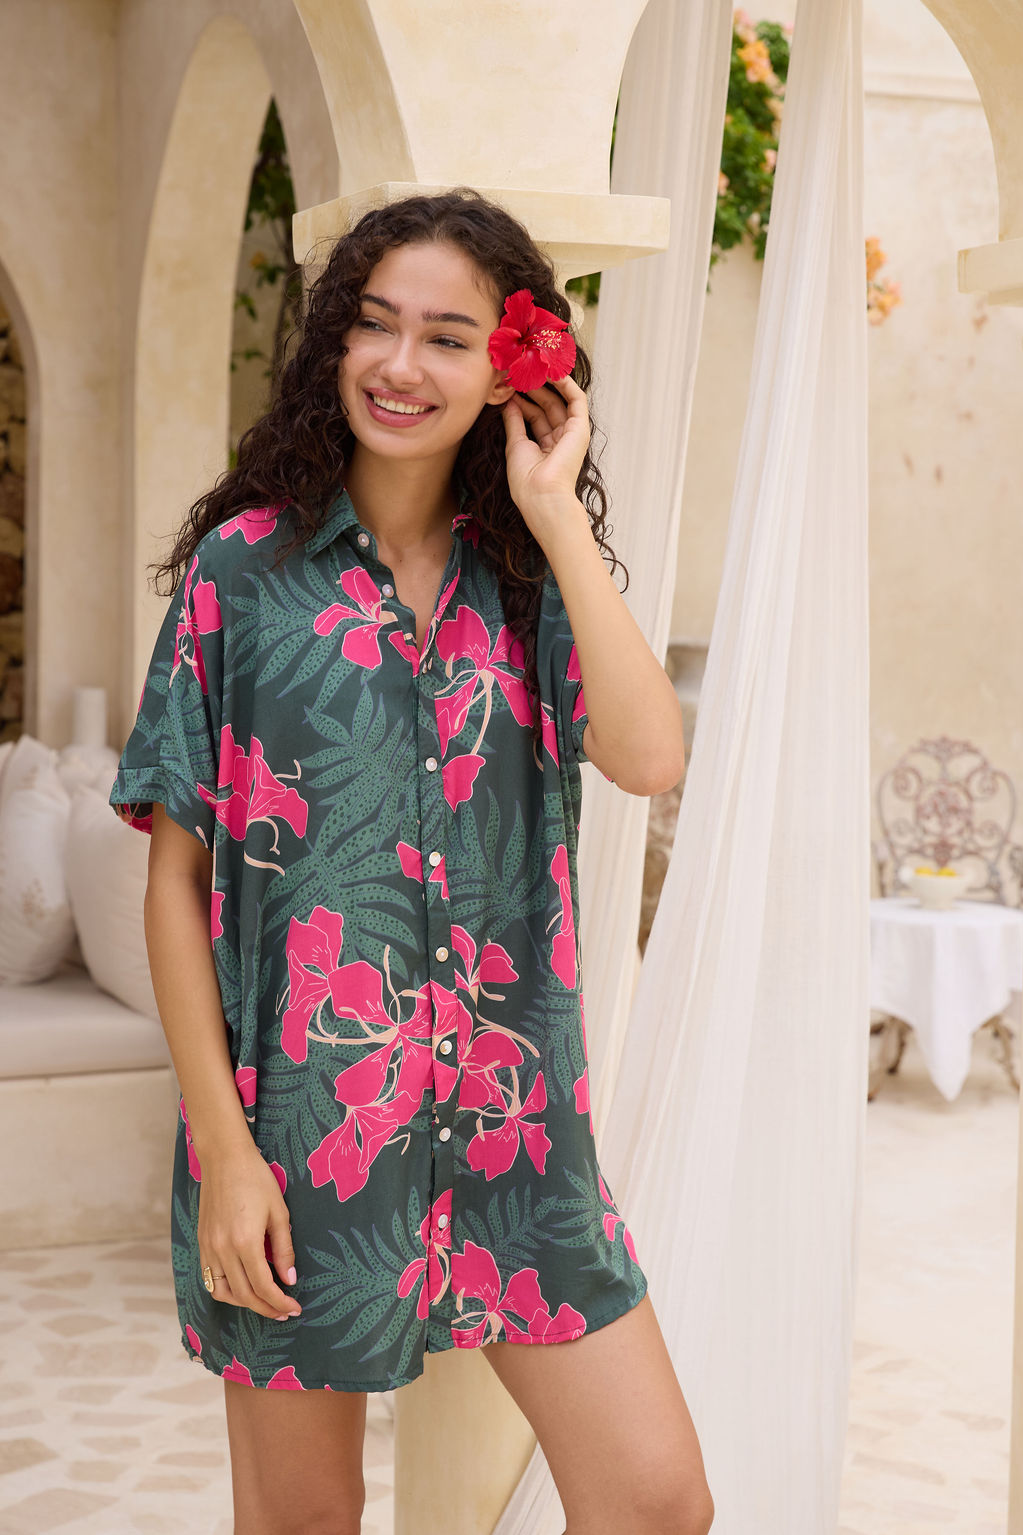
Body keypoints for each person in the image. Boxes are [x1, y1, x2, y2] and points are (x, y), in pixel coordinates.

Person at [110, 187, 713, 1535]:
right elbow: (175, 882)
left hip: (520, 1142)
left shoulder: (528, 580)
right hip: (302, 1141)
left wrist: (556, 512)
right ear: (333, 343)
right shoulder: (242, 575)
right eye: (375, 325)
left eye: (448, 336)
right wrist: (224, 1147)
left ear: (506, 366)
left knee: (657, 1499)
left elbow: (651, 756)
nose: (401, 363)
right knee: (302, 1526)